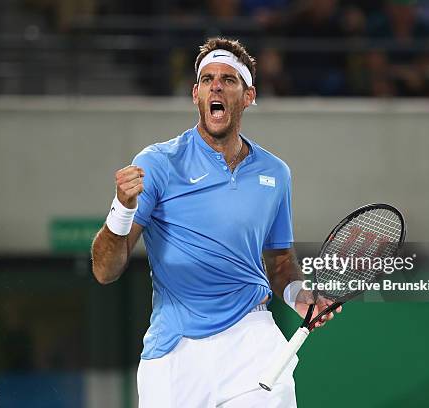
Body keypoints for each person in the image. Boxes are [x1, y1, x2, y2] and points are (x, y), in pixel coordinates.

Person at [91, 37, 340, 407]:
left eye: (228, 78)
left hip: (251, 339)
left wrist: (298, 297)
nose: (216, 85)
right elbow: (104, 270)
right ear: (196, 94)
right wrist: (122, 209)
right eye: (207, 79)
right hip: (176, 350)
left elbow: (281, 263)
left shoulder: (276, 174)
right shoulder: (158, 163)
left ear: (248, 95)